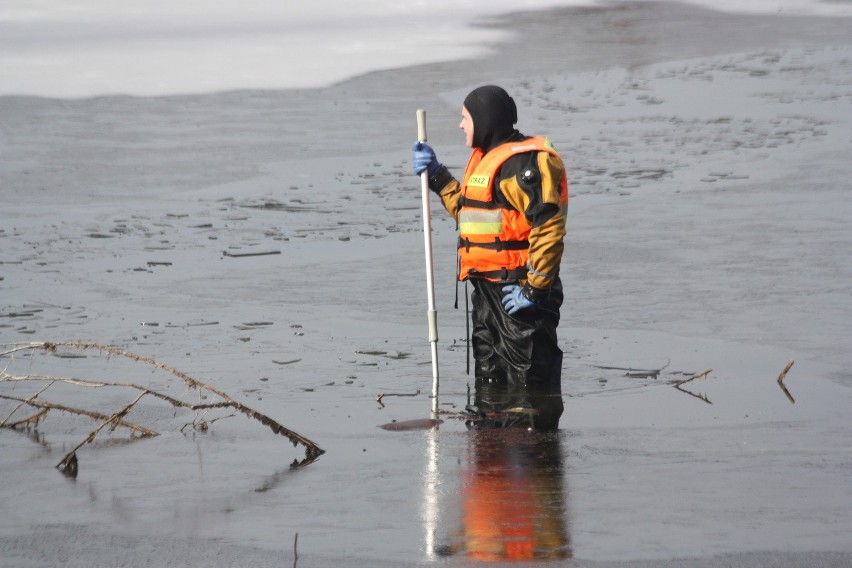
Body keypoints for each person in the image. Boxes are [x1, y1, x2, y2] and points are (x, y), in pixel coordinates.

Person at [412, 85, 568, 430]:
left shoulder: (525, 165)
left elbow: (548, 227)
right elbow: (473, 216)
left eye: (464, 118)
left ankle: (534, 459)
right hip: (487, 293)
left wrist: (535, 289)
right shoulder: (485, 160)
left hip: (519, 293)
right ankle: (491, 462)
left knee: (528, 381)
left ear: (484, 120)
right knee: (490, 379)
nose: (460, 126)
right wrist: (437, 176)